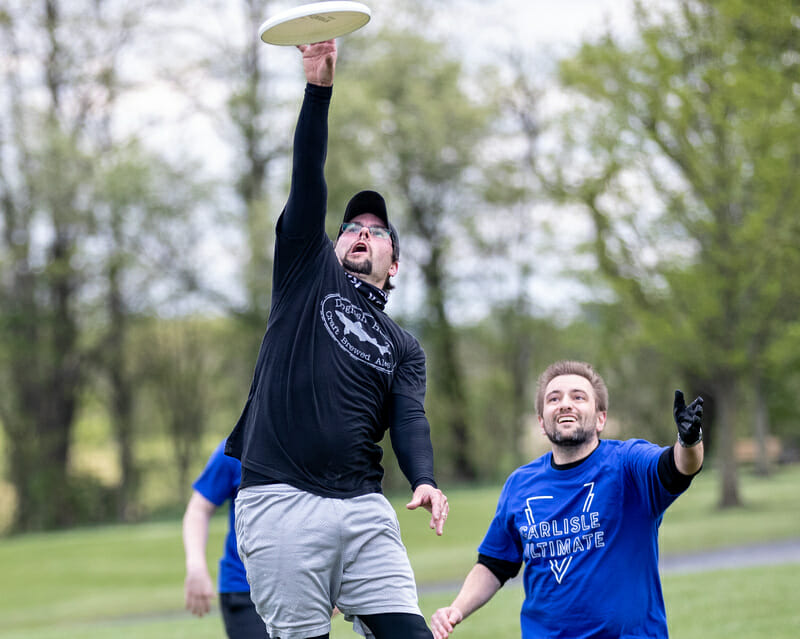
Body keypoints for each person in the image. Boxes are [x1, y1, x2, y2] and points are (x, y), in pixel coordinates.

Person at [225, 39, 448, 639]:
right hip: (281, 501)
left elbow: (409, 419)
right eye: (351, 226)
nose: (361, 233)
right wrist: (317, 91)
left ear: (393, 264)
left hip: (362, 507)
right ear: (331, 242)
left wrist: (423, 477)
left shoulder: (404, 346)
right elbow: (307, 175)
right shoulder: (305, 271)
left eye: (377, 233)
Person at [431, 360, 704, 639]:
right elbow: (494, 564)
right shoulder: (520, 484)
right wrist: (456, 609)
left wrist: (689, 440)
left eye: (578, 397)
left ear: (600, 418)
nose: (565, 404)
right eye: (554, 398)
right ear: (541, 421)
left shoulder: (627, 464)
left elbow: (677, 468)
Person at [183, 439, 269, 638]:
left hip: (300, 586)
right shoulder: (235, 447)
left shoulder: (311, 443)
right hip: (244, 589)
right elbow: (198, 510)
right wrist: (196, 566)